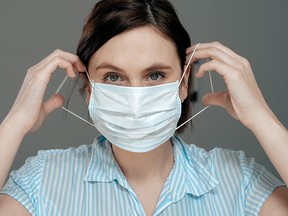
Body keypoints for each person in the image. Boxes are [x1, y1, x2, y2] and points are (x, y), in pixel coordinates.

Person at [0, 0, 288, 215]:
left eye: (155, 75)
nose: (136, 98)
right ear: (89, 88)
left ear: (184, 82)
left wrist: (261, 118)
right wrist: (16, 122)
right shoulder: (43, 179)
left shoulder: (238, 179)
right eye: (113, 77)